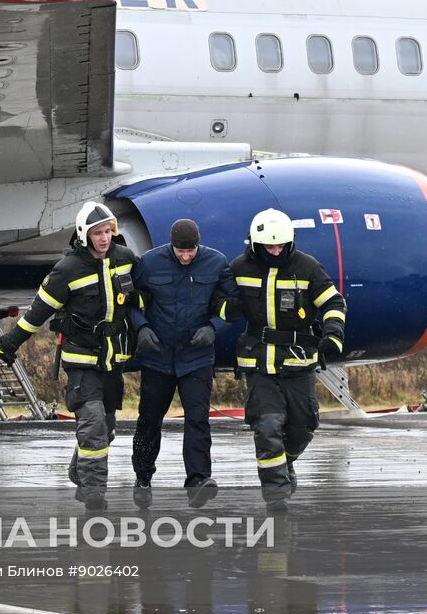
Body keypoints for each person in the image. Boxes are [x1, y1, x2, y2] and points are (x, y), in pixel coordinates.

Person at [0, 202, 140, 509]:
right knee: (93, 427)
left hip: (113, 362)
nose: (104, 238)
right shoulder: (67, 270)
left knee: (107, 430)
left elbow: (145, 297)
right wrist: (10, 341)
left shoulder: (126, 259)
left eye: (107, 232)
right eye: (97, 233)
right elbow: (37, 313)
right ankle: (94, 493)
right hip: (81, 362)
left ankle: (79, 471)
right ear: (84, 235)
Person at [221, 208, 347, 511]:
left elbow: (333, 302)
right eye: (268, 247)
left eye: (280, 246)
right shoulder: (239, 268)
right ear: (255, 244)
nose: (275, 251)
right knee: (267, 426)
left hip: (298, 362)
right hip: (260, 364)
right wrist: (230, 308)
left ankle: (285, 462)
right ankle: (276, 497)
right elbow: (219, 304)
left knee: (303, 427)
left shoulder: (308, 267)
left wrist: (333, 335)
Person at [128, 219, 238, 508]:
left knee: (198, 419)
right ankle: (143, 474)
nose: (186, 256)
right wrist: (141, 328)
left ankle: (198, 481)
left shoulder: (216, 263)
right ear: (172, 245)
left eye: (190, 251)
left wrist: (214, 327)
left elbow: (232, 303)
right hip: (157, 356)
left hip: (196, 357)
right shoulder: (149, 263)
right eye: (180, 251)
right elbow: (129, 301)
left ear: (198, 245)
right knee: (149, 419)